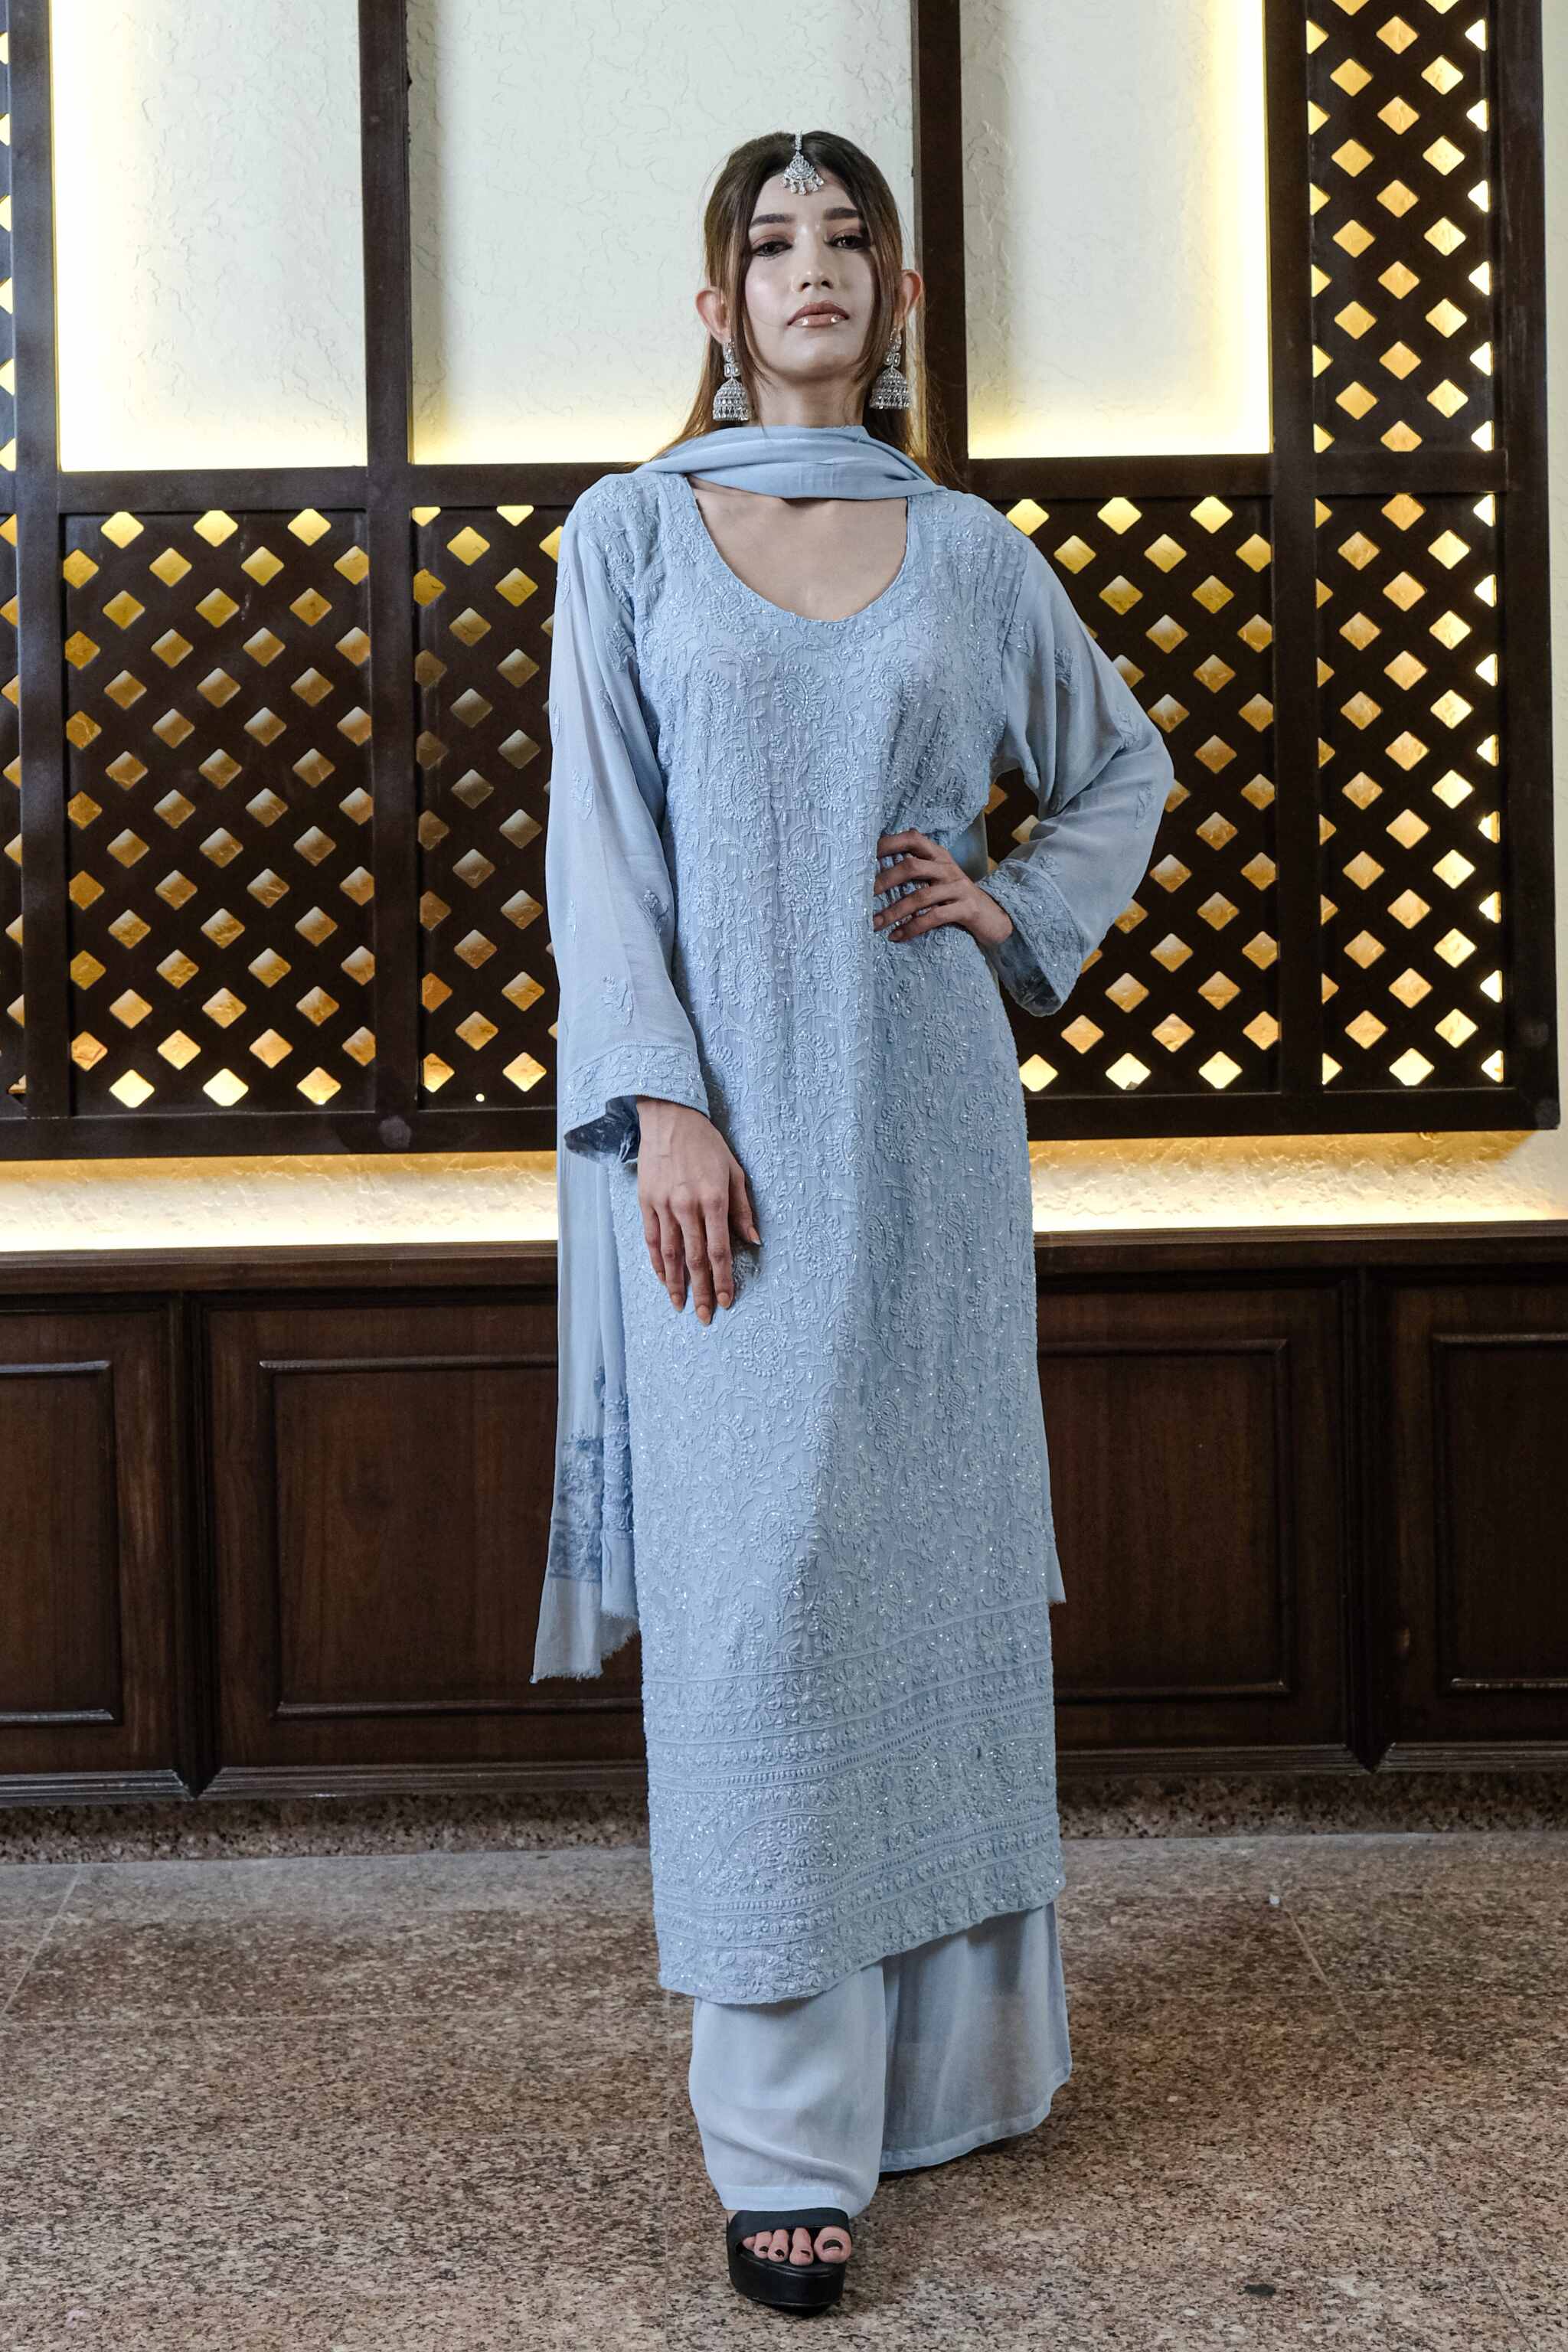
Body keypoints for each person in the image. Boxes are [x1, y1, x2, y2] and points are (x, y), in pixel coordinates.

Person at [532, 127, 1173, 2314]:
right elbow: (599, 857)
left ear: (898, 301)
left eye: (850, 241)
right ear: (714, 304)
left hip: (925, 1124)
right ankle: (784, 2130)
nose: (813, 270)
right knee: (768, 1597)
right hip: (727, 1153)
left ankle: (949, 2075)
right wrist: (662, 1108)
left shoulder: (978, 556)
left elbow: (1121, 771)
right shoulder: (629, 541)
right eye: (769, 243)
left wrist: (1016, 913)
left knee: (927, 1558)